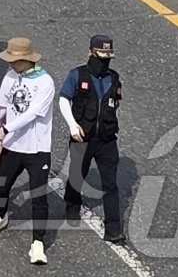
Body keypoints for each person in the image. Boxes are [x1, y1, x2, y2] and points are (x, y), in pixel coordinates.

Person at [0, 37, 56, 267]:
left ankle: (38, 242)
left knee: (38, 197)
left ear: (26, 59)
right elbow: (3, 105)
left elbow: (32, 113)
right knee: (2, 186)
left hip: (37, 150)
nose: (10, 64)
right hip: (12, 145)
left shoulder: (45, 82)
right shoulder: (11, 76)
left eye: (14, 61)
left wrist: (5, 129)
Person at [60, 35, 125, 244]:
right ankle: (72, 204)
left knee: (111, 184)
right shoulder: (77, 75)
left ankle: (113, 228)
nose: (104, 61)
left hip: (106, 140)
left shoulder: (114, 78)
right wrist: (72, 125)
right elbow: (63, 99)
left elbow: (114, 105)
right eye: (100, 56)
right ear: (90, 52)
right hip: (82, 137)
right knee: (77, 174)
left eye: (108, 57)